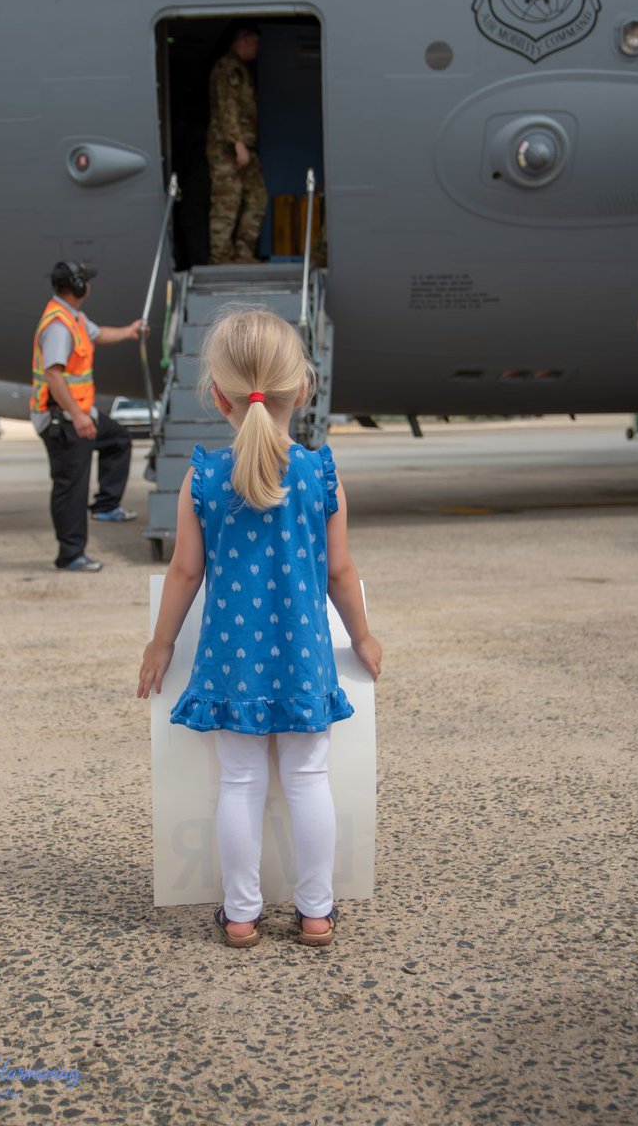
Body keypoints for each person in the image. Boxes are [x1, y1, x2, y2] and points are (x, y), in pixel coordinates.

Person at [137, 308, 382, 947]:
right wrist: (362, 637)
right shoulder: (319, 473)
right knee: (307, 781)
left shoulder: (205, 478)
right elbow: (340, 571)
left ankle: (241, 914)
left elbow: (185, 573)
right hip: (304, 659)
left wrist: (161, 643)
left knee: (239, 785)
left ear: (217, 396)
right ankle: (316, 912)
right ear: (301, 390)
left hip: (233, 662)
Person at [30, 261, 145, 572]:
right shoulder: (58, 325)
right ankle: (70, 555)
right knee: (71, 486)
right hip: (62, 420)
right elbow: (54, 376)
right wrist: (78, 416)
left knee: (117, 438)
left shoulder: (74, 317)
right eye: (87, 281)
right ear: (79, 287)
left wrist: (129, 332)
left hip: (78, 413)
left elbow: (99, 334)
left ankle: (106, 506)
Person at [206, 22, 268, 265]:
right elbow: (227, 109)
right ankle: (220, 257)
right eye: (255, 42)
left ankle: (242, 252)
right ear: (244, 39)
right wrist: (237, 144)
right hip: (228, 150)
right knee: (226, 203)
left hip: (243, 149)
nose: (258, 48)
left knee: (257, 198)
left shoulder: (241, 69)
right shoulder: (228, 69)